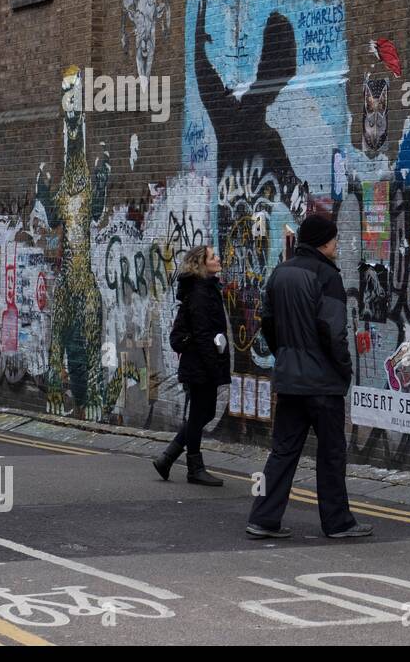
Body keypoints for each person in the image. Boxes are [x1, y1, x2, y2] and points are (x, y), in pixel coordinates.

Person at [246, 214, 372, 540]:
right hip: (322, 382)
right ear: (324, 242)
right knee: (331, 454)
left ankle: (262, 518)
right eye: (334, 239)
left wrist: (284, 354)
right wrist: (343, 368)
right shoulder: (327, 276)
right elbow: (332, 331)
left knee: (283, 451)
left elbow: (268, 323)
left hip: (289, 378)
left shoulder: (280, 272)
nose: (337, 244)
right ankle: (338, 522)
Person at [153, 245, 230, 486]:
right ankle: (194, 468)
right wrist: (213, 369)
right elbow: (203, 334)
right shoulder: (200, 293)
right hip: (200, 365)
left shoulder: (206, 288)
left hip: (201, 363)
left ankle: (168, 457)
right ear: (202, 264)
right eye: (213, 257)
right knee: (199, 414)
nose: (218, 259)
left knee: (203, 413)